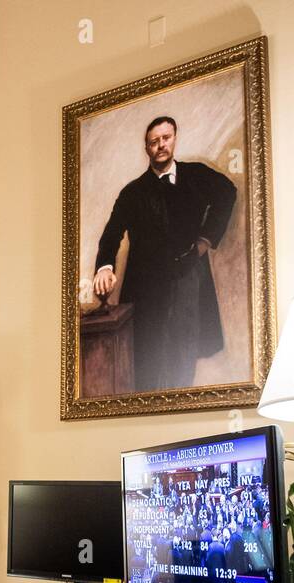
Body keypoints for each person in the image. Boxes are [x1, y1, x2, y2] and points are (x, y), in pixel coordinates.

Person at [93, 116, 237, 391]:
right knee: (147, 359)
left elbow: (227, 192)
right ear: (147, 148)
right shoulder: (132, 193)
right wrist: (105, 267)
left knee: (184, 353)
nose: (161, 145)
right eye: (154, 142)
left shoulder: (196, 175)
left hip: (188, 279)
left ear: (174, 138)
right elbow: (112, 233)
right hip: (146, 286)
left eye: (166, 138)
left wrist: (205, 239)